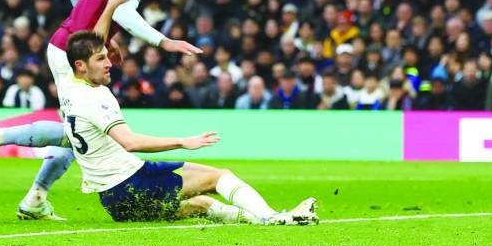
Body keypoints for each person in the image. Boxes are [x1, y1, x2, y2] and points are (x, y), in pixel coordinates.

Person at [0, 0, 203, 221]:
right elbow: (120, 11)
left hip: (68, 44)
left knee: (78, 132)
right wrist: (164, 41)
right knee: (80, 131)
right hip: (74, 52)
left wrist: (106, 40)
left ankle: (34, 199)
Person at [61, 30, 317, 225]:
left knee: (203, 204)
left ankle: (263, 218)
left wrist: (112, 5)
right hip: (133, 184)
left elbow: (82, 41)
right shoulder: (97, 96)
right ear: (81, 66)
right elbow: (129, 142)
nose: (109, 62)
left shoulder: (68, 88)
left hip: (113, 201)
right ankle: (271, 217)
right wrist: (183, 141)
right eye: (100, 58)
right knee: (219, 176)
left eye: (106, 56)